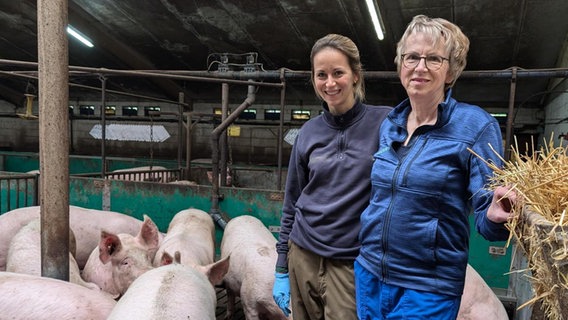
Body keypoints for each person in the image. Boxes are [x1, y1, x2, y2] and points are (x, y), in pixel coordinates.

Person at [355, 15, 514, 319]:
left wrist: (495, 216)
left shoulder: (476, 126)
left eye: (433, 59)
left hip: (428, 287)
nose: (420, 67)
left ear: (451, 71)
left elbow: (487, 216)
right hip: (369, 273)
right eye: (412, 57)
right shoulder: (391, 124)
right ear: (401, 64)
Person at [272, 33, 392, 320]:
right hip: (302, 252)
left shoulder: (385, 122)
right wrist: (281, 266)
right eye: (321, 75)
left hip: (351, 260)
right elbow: (293, 202)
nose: (330, 83)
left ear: (355, 75)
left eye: (338, 73)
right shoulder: (308, 133)